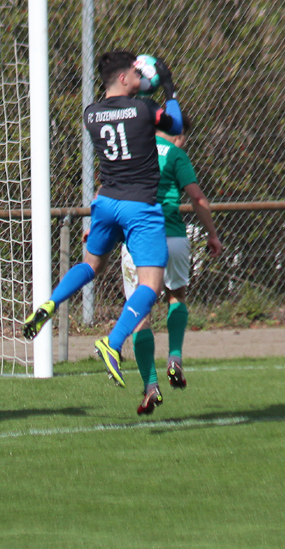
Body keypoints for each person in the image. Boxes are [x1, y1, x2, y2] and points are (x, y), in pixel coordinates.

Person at [23, 51, 184, 407]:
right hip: (140, 206)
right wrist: (168, 89)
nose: (142, 77)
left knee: (93, 264)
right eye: (136, 73)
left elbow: (124, 120)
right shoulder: (144, 110)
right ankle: (111, 342)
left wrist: (142, 94)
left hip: (105, 203)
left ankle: (50, 303)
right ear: (125, 78)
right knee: (151, 287)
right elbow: (175, 125)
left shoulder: (91, 113)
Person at [120, 114, 223, 414]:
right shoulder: (177, 154)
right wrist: (212, 235)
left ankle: (151, 385)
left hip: (139, 240)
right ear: (178, 134)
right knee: (176, 295)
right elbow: (196, 197)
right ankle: (175, 357)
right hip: (174, 238)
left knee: (140, 314)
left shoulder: (134, 150)